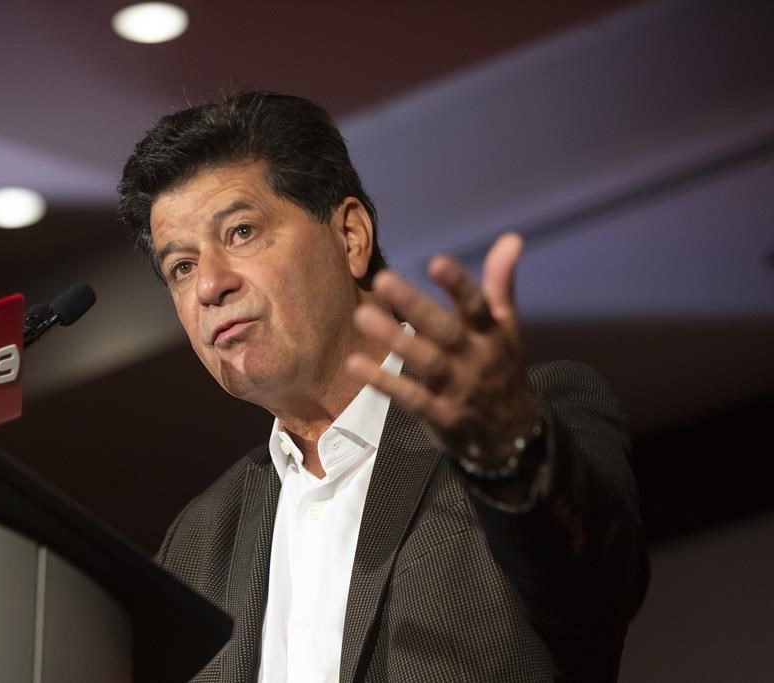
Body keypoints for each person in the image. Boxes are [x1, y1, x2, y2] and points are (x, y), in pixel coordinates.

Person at [117, 91, 648, 682]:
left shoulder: (522, 423)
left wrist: (514, 457)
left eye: (241, 231)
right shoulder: (196, 542)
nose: (210, 285)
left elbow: (598, 590)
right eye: (181, 267)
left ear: (350, 237)